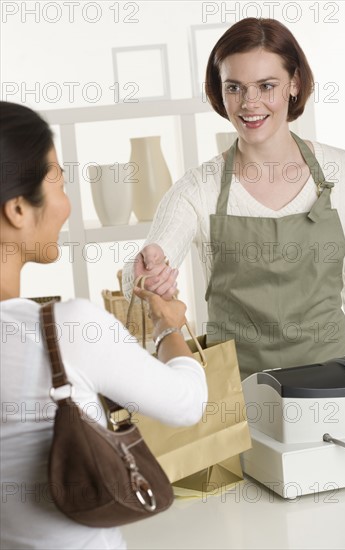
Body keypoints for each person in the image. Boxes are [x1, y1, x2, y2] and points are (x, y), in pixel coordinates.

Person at [0, 101, 208, 549]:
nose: (67, 205)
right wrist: (167, 325)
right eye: (57, 181)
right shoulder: (64, 330)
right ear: (18, 209)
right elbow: (187, 404)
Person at [123, 18, 345, 379]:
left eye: (267, 86)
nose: (250, 103)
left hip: (333, 390)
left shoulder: (344, 172)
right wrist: (144, 274)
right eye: (235, 87)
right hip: (238, 399)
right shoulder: (198, 188)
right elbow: (142, 272)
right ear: (219, 92)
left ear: (294, 84)